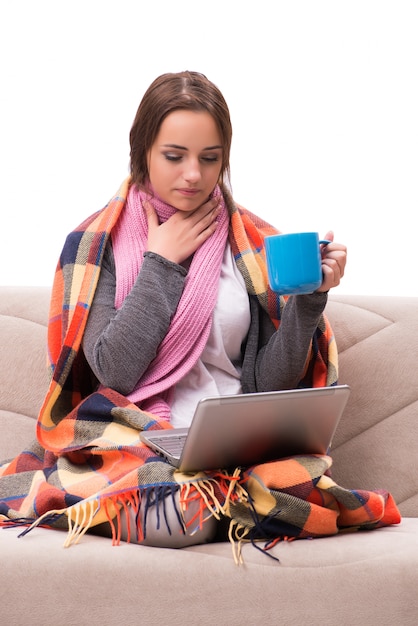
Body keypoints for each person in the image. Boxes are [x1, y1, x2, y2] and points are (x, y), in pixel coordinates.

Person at [0, 71, 352, 550]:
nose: (194, 174)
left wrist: (311, 299)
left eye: (210, 159)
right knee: (186, 515)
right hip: (136, 436)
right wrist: (161, 263)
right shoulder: (93, 245)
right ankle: (194, 502)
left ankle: (214, 499)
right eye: (174, 156)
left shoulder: (249, 243)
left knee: (296, 488)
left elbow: (266, 386)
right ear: (141, 150)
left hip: (231, 443)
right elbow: (116, 373)